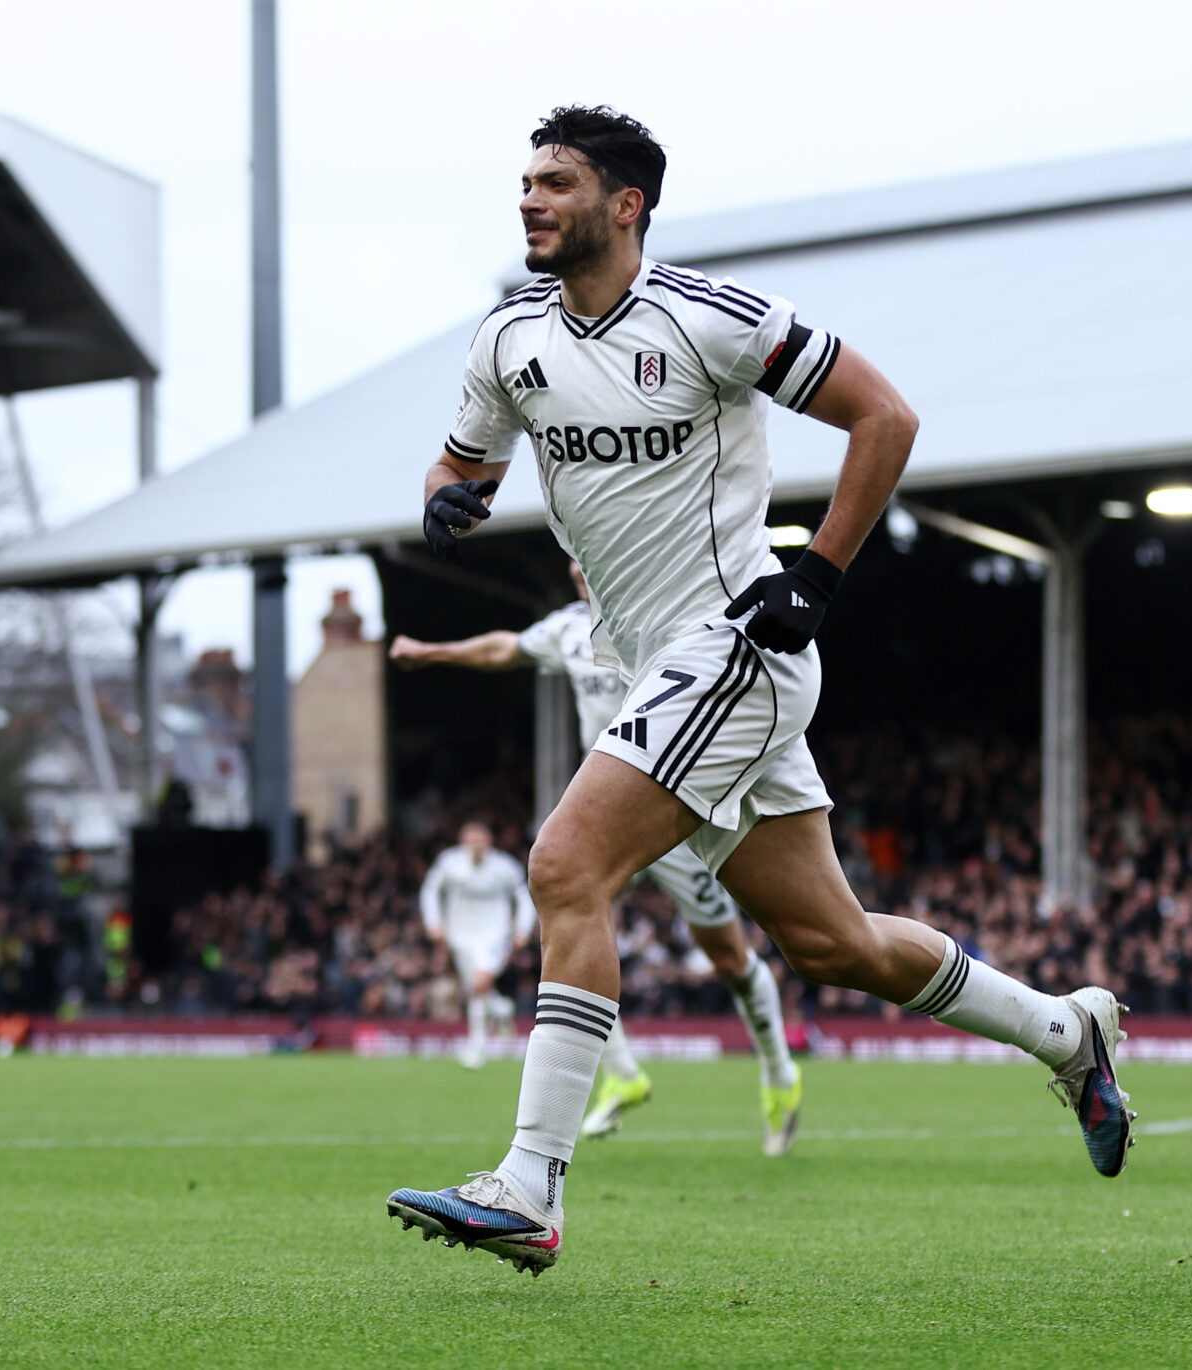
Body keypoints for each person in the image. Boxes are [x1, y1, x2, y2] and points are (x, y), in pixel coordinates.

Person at [387, 105, 1134, 1277]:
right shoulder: (506, 340)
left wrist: (816, 577)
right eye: (523, 182)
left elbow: (882, 416)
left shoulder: (706, 317)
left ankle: (529, 1184)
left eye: (555, 183)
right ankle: (1064, 1030)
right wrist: (450, 493)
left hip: (734, 649)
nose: (529, 200)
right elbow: (463, 454)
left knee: (563, 863)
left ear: (624, 205)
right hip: (652, 666)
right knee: (832, 945)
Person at [390, 561, 805, 1152]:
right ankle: (625, 1075)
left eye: (591, 561)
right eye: (574, 564)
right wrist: (430, 652)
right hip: (609, 815)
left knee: (729, 959)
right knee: (565, 918)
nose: (580, 571)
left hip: (677, 804)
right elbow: (504, 649)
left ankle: (778, 1072)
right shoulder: (565, 631)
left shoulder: (668, 619)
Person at [418, 821, 537, 1069]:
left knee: (480, 984)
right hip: (460, 936)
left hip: (495, 935)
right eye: (471, 841)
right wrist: (434, 922)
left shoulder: (504, 866)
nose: (476, 846)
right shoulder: (449, 862)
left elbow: (524, 897)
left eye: (480, 840)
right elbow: (430, 890)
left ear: (488, 841)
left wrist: (522, 930)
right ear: (463, 841)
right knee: (477, 987)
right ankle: (502, 1009)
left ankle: (477, 1048)